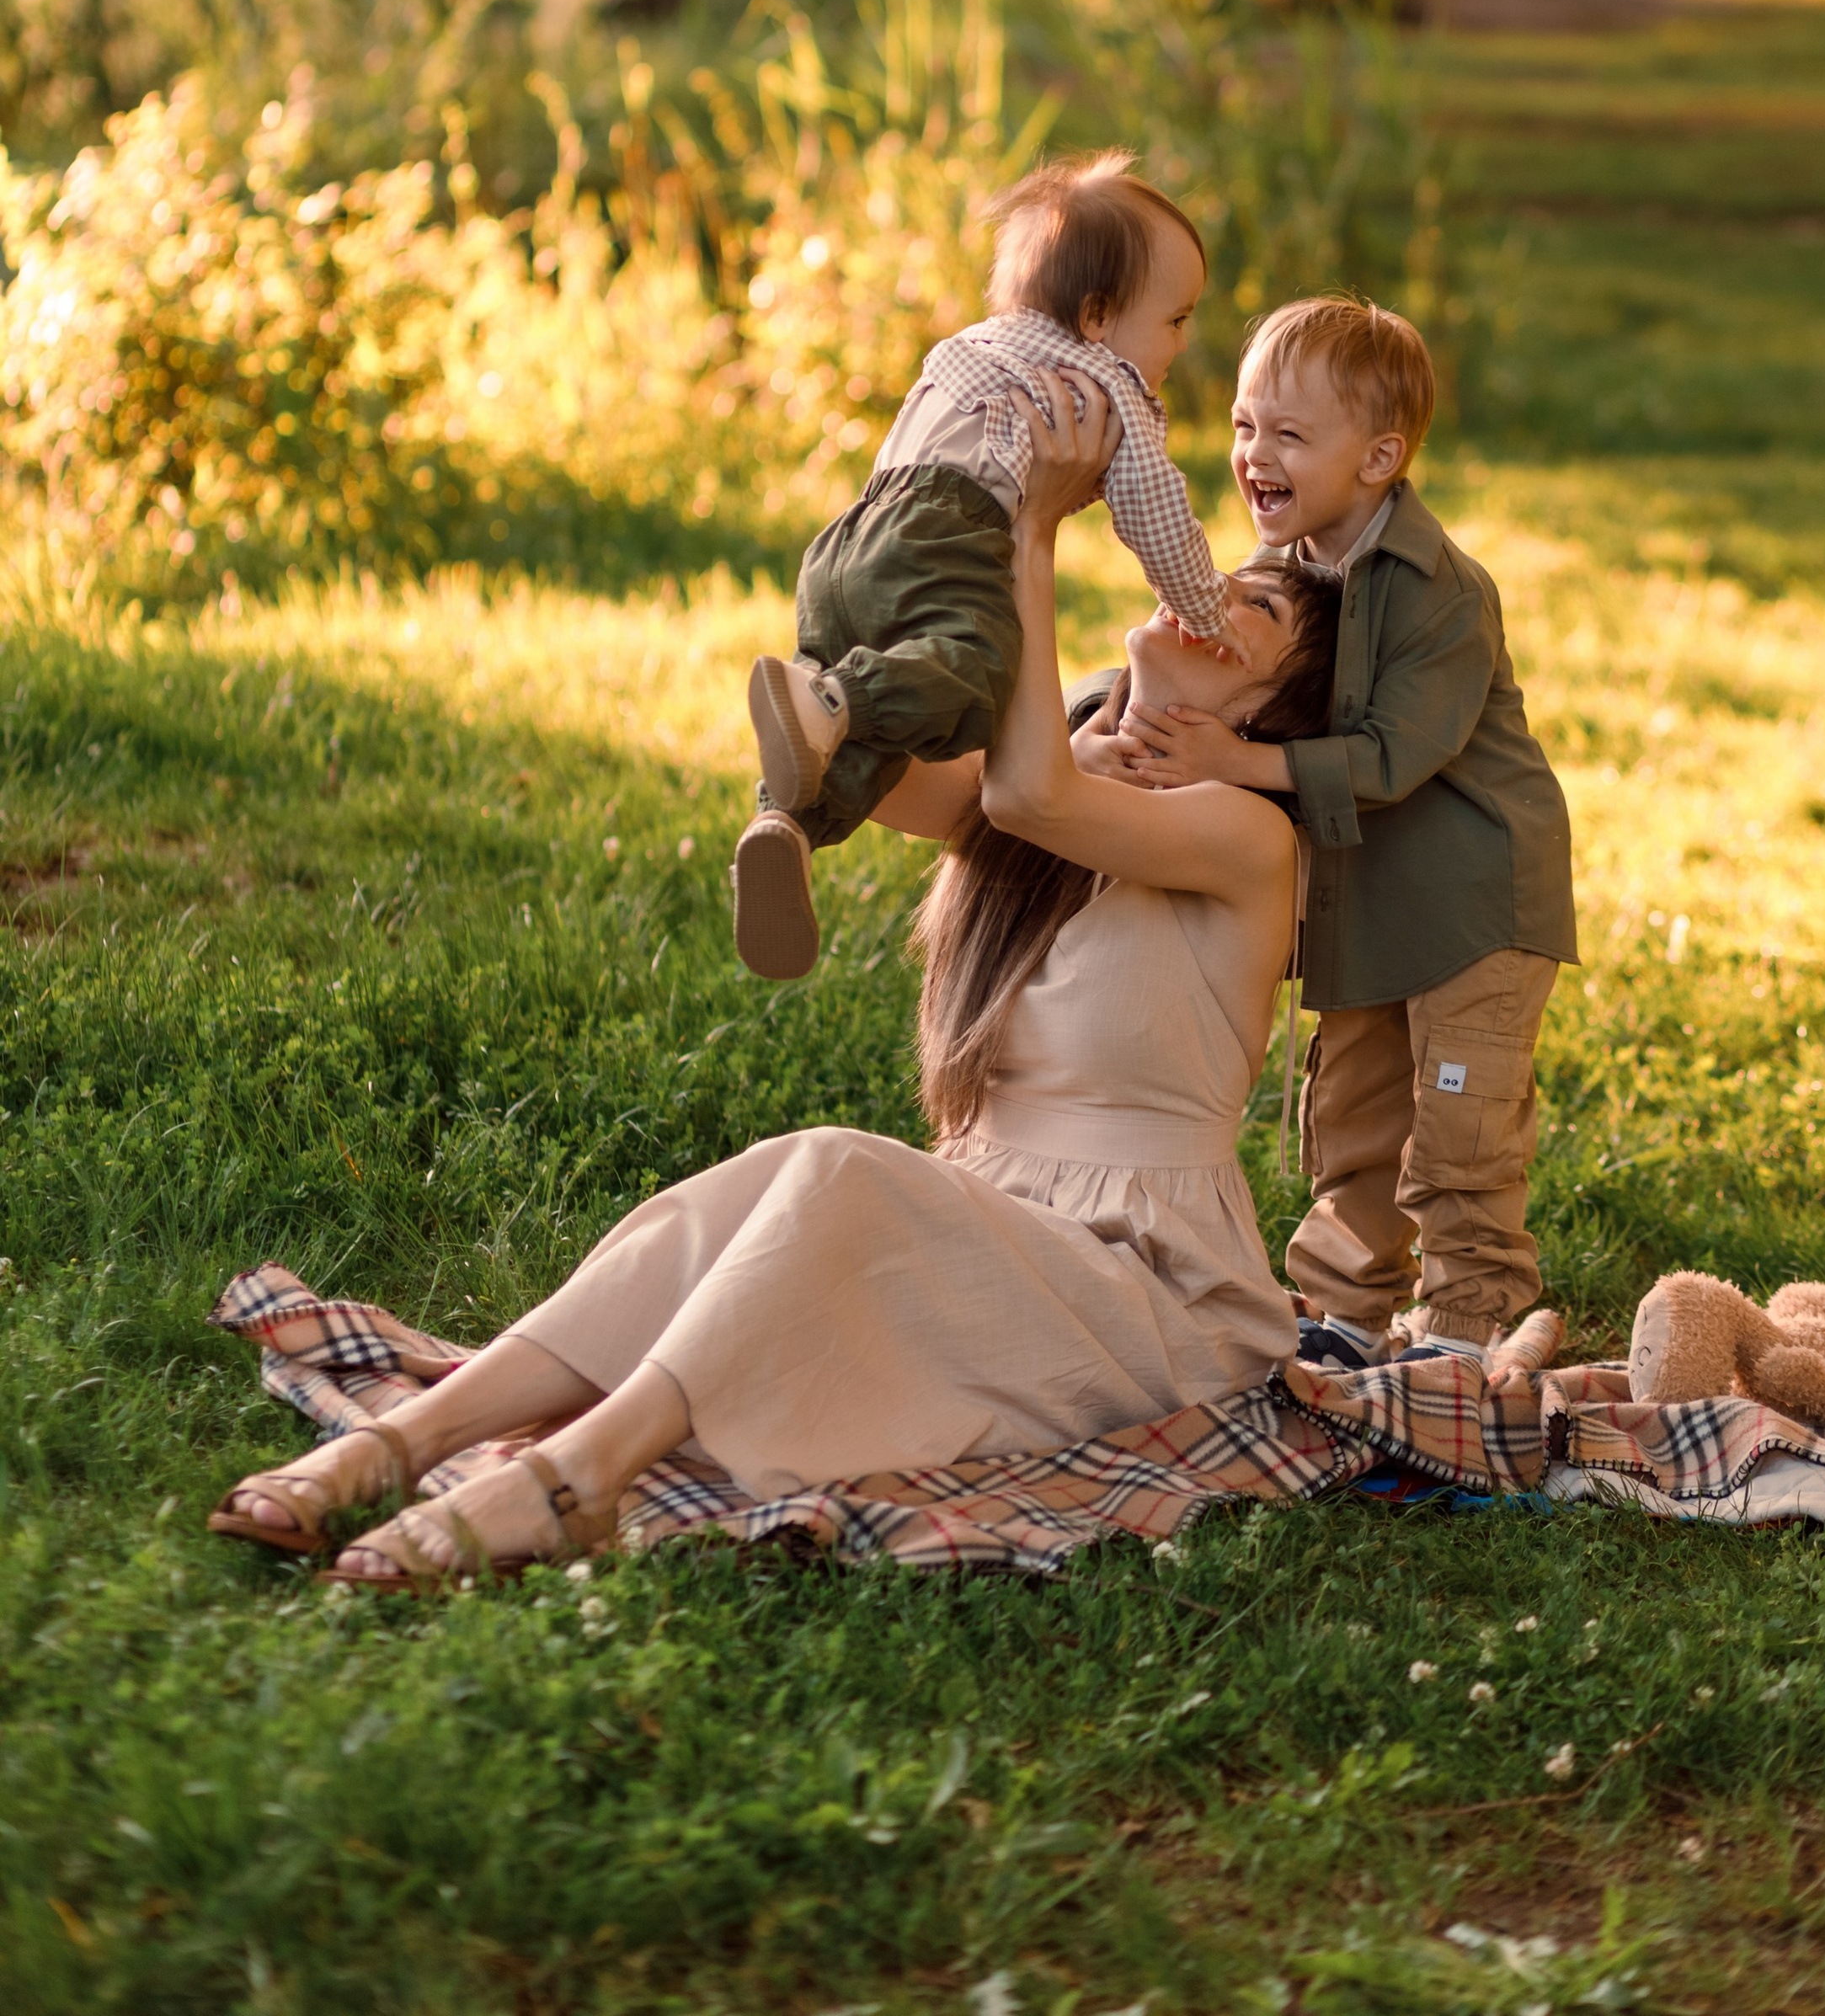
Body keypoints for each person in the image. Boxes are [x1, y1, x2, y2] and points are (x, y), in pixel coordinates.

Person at [205, 385, 1339, 1588]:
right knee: (755, 1194)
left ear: (1270, 710)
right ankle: (404, 1440)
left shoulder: (1245, 837)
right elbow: (867, 768)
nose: (1208, 587)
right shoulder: (1064, 758)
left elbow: (1028, 799)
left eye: (1257, 605)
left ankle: (579, 1473)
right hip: (994, 1213)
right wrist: (939, 518)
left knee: (840, 1170)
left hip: (1150, 1290)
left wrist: (1038, 528)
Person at [1081, 296, 1577, 1374]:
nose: (1254, 455)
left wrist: (1236, 763)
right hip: (1369, 891)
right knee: (1352, 1109)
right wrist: (1102, 725)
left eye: (1290, 435)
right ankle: (1348, 1313)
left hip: (1474, 899)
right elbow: (1204, 656)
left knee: (1460, 1123)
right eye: (1244, 425)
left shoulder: (1442, 593)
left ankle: (1461, 1329)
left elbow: (1394, 755)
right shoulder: (1291, 568)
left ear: (1379, 458)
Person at [730, 152, 1243, 983]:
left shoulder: (969, 346)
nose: (1183, 340)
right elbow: (1157, 515)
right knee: (972, 680)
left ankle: (782, 825)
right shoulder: (1105, 383)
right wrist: (1205, 607)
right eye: (1177, 318)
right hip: (947, 539)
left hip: (850, 541)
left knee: (881, 726)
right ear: (1098, 317)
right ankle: (830, 699)